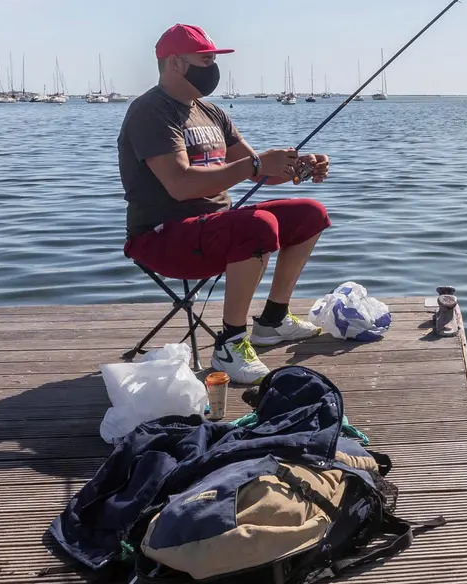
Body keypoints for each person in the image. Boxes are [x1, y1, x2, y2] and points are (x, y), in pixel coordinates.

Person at [118, 23, 332, 384]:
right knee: (257, 227)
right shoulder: (150, 112)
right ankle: (230, 342)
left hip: (217, 231)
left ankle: (273, 320)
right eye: (205, 59)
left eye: (213, 59)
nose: (212, 67)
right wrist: (256, 165)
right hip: (161, 237)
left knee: (310, 214)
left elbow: (257, 172)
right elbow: (181, 186)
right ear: (174, 63)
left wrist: (301, 167)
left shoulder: (212, 112)